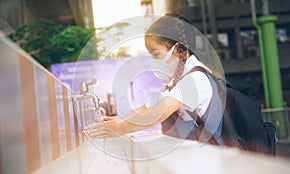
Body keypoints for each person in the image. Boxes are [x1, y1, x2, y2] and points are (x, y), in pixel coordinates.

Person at [83, 13, 225, 145]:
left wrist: (120, 127)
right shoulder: (176, 82)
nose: (153, 61)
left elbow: (155, 114)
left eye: (156, 54)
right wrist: (122, 121)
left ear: (178, 48)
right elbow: (146, 108)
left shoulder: (195, 80)